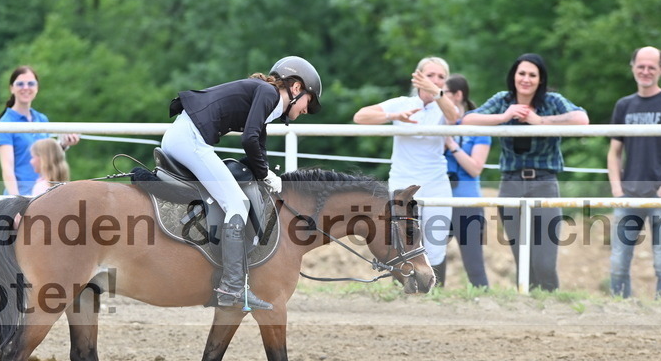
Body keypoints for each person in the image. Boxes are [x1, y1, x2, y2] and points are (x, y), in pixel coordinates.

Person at [161, 56, 322, 312]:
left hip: (185, 137)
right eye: (308, 101)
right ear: (295, 88)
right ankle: (232, 287)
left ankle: (233, 282)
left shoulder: (268, 101)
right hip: (189, 141)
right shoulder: (269, 94)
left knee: (237, 196)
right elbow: (249, 139)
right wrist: (267, 174)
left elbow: (258, 145)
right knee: (238, 202)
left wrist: (264, 172)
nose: (305, 109)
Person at [462, 53, 589, 291]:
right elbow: (467, 120)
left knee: (545, 262)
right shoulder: (503, 100)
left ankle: (551, 306)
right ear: (514, 76)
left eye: (532, 74)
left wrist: (538, 121)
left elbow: (582, 120)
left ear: (540, 79)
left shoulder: (552, 101)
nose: (526, 79)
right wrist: (505, 116)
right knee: (523, 260)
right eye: (522, 73)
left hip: (544, 183)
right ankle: (528, 315)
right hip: (511, 183)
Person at [353, 56, 461, 284]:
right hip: (403, 184)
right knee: (400, 239)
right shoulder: (402, 103)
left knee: (436, 242)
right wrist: (392, 116)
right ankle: (401, 290)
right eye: (430, 75)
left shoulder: (445, 107)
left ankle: (434, 292)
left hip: (435, 183)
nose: (435, 80)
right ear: (418, 77)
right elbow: (360, 116)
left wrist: (438, 93)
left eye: (441, 77)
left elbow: (454, 116)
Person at [607, 46, 661, 300]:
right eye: (641, 66)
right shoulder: (624, 105)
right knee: (618, 261)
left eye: (651, 67)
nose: (645, 71)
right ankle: (620, 310)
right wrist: (616, 189)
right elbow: (614, 151)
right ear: (633, 67)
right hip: (629, 196)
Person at [0, 66, 79, 195]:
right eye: (20, 84)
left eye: (31, 83)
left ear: (37, 87)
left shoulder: (41, 119)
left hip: (42, 193)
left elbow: (46, 156)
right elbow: (7, 168)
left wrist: (63, 144)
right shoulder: (5, 123)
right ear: (12, 88)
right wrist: (15, 201)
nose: (26, 87)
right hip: (21, 195)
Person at [443, 74, 490, 288]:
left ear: (458, 95)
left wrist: (451, 144)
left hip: (467, 204)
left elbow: (475, 168)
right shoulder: (436, 123)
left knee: (474, 266)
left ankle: (486, 307)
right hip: (440, 201)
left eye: (444, 94)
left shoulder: (477, 126)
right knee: (433, 261)